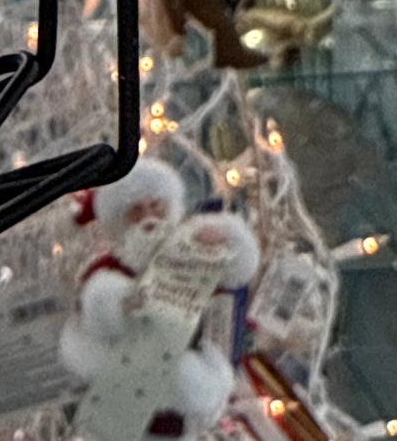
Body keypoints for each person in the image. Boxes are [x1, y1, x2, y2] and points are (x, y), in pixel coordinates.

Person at [60, 156, 259, 439]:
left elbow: (235, 275)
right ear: (121, 219)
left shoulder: (192, 254)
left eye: (156, 205)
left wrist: (226, 240)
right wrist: (122, 305)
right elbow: (93, 314)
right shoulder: (110, 268)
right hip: (117, 407)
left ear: (170, 206)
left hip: (176, 417)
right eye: (136, 210)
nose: (148, 216)